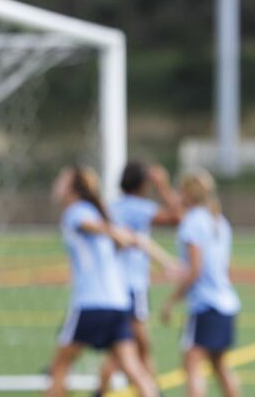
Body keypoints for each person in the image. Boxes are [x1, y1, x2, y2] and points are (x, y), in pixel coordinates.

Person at [47, 166, 157, 397]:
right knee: (133, 368)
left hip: (91, 303)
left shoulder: (76, 211)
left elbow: (93, 226)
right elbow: (131, 239)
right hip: (118, 303)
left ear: (72, 189)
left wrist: (112, 232)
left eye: (61, 180)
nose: (56, 184)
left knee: (59, 367)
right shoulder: (99, 213)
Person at [96, 162, 184, 395]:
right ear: (144, 183)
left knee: (126, 347)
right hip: (132, 286)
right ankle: (150, 390)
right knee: (138, 346)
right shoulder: (140, 207)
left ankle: (116, 389)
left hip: (112, 284)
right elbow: (177, 216)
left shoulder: (111, 206)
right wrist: (163, 184)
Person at [160, 169, 241, 397]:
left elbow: (196, 269)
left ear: (187, 194)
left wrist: (171, 300)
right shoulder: (219, 221)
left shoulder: (192, 223)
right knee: (219, 365)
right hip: (226, 301)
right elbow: (221, 266)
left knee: (192, 364)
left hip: (207, 304)